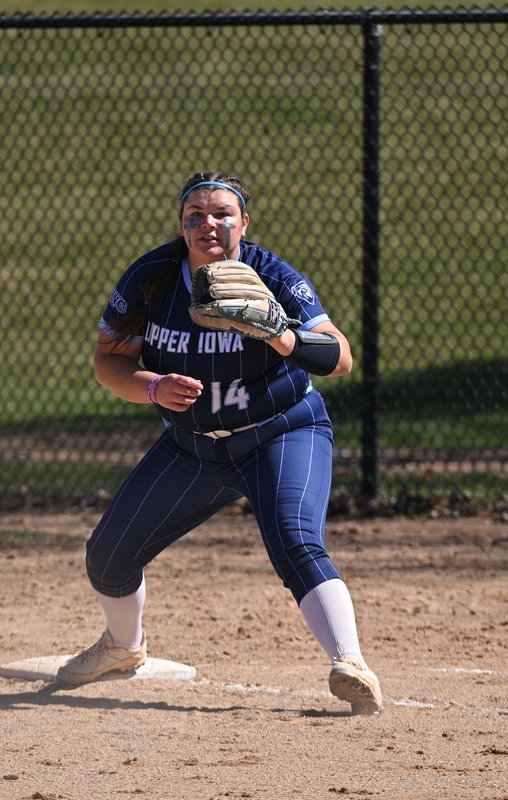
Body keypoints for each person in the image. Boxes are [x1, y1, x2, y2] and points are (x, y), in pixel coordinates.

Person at [54, 171, 382, 714]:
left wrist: (280, 333)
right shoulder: (152, 279)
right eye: (195, 216)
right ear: (182, 227)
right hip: (194, 447)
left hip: (281, 431)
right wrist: (153, 386)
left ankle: (351, 664)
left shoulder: (272, 274)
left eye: (222, 214)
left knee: (296, 541)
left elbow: (340, 358)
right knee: (108, 555)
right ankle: (123, 648)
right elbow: (108, 362)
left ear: (244, 223)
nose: (209, 224)